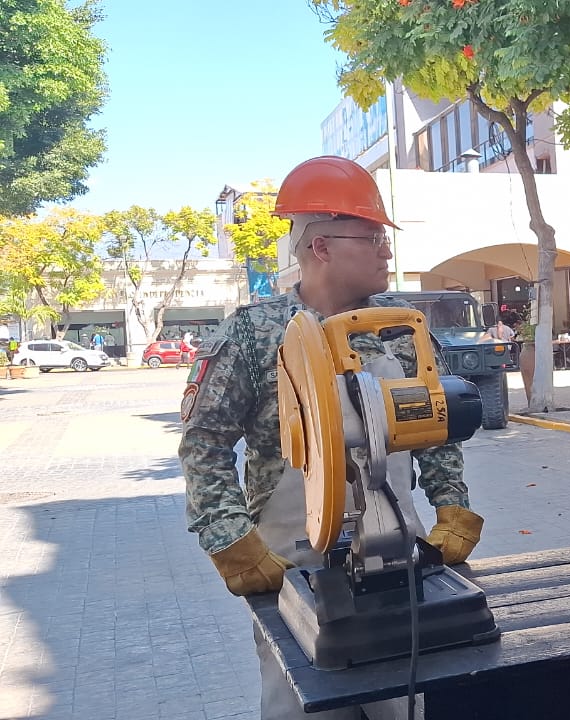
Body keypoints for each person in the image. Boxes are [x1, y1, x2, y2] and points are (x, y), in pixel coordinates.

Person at [178, 155, 484, 720]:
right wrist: (229, 536)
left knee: (409, 697)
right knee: (303, 704)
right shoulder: (253, 333)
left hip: (397, 543)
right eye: (371, 238)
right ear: (320, 247)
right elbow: (205, 442)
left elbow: (436, 425)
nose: (386, 251)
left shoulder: (401, 328)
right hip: (289, 553)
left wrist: (452, 507)